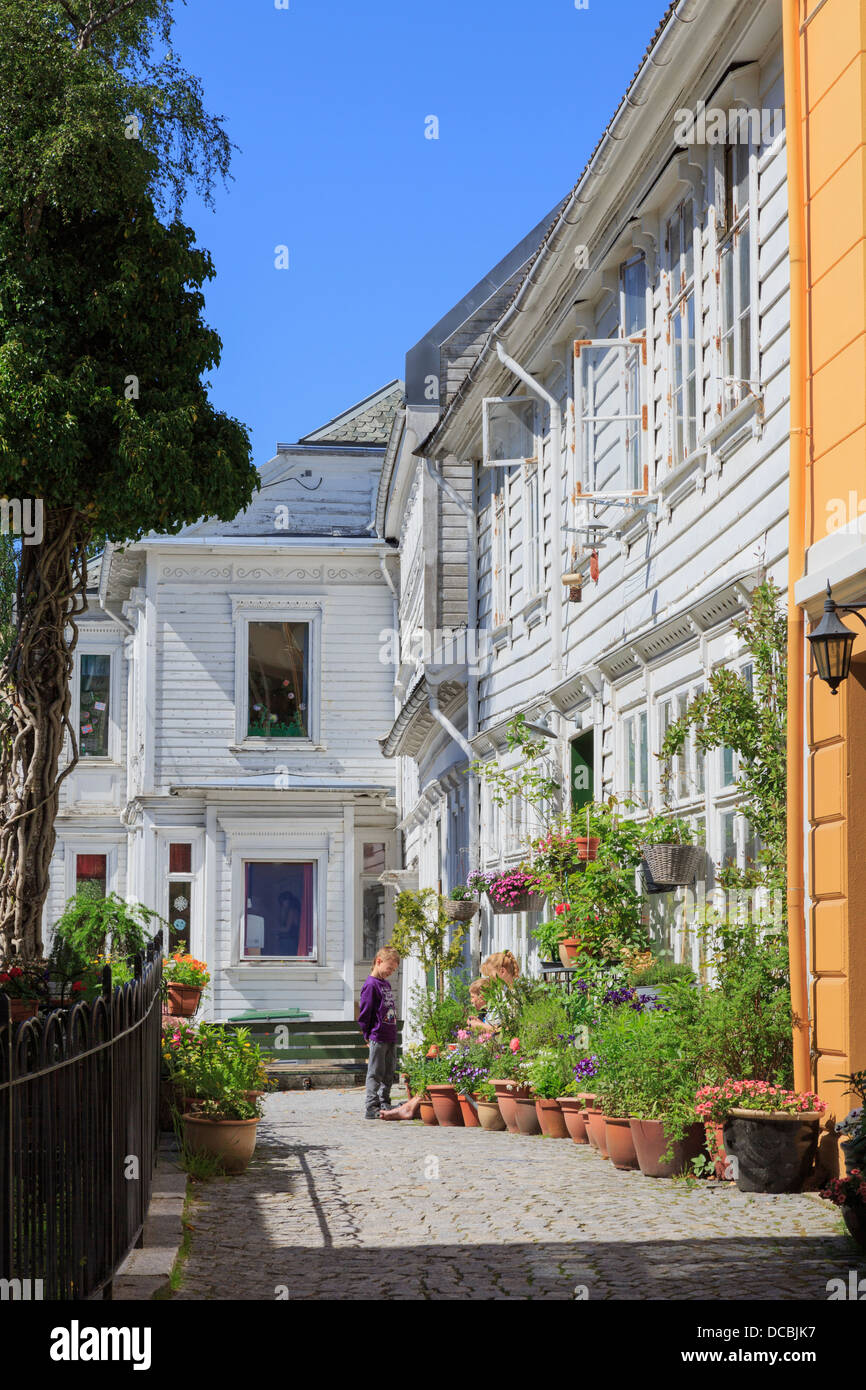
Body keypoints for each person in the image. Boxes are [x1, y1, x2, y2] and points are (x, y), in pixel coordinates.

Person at [358, 946, 400, 1119]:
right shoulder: (371, 985)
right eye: (389, 968)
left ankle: (384, 1101)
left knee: (389, 1072)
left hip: (389, 1035)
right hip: (377, 1035)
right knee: (375, 1072)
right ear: (378, 961)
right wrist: (366, 1033)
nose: (390, 972)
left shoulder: (385, 983)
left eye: (394, 970)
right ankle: (371, 1105)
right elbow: (365, 1011)